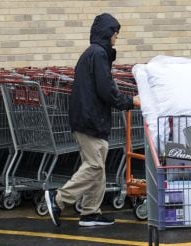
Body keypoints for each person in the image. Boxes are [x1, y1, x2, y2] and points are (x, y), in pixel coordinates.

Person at [45, 13, 139, 227]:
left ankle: (90, 212)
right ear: (108, 34)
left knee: (98, 166)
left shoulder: (93, 53)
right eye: (116, 34)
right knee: (95, 166)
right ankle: (59, 199)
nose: (116, 39)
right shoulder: (98, 54)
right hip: (90, 119)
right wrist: (129, 101)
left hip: (90, 117)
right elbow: (106, 89)